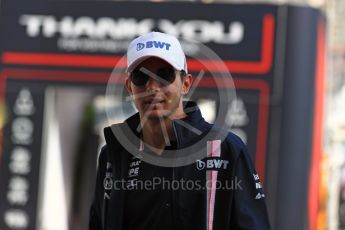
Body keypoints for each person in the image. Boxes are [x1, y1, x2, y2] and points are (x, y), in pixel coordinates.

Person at [89, 32, 270, 230]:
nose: (152, 87)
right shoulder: (113, 155)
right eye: (141, 77)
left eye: (164, 75)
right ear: (130, 87)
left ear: (185, 84)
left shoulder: (226, 149)